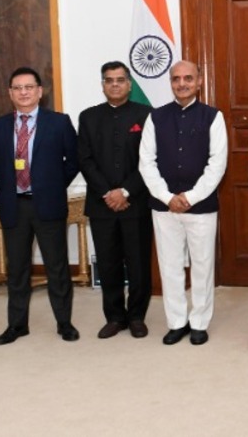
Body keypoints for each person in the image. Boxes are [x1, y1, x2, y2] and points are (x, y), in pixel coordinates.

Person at [0, 67, 80, 345]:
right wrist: (10, 182)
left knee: (57, 267)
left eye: (29, 87)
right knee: (17, 269)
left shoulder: (59, 122)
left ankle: (64, 323)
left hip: (48, 203)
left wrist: (50, 185)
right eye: (17, 88)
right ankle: (17, 325)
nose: (23, 92)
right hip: (14, 205)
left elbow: (72, 161)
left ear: (40, 91)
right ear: (10, 93)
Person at [138, 60, 227, 346]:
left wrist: (189, 197)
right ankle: (176, 322)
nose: (182, 83)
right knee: (170, 265)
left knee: (202, 265)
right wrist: (167, 197)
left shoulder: (214, 117)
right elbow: (146, 163)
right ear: (171, 82)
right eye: (176, 78)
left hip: (200, 206)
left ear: (199, 81)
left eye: (188, 78)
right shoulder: (156, 117)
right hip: (163, 207)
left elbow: (217, 165)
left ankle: (199, 322)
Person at [77, 61, 153, 339]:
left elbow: (149, 161)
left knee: (138, 264)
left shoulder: (147, 115)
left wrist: (126, 192)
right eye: (109, 80)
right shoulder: (88, 117)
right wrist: (108, 193)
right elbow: (84, 160)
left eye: (120, 80)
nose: (115, 85)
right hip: (102, 204)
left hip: (136, 203)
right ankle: (114, 317)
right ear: (103, 85)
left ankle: (136, 316)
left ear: (129, 84)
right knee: (108, 264)